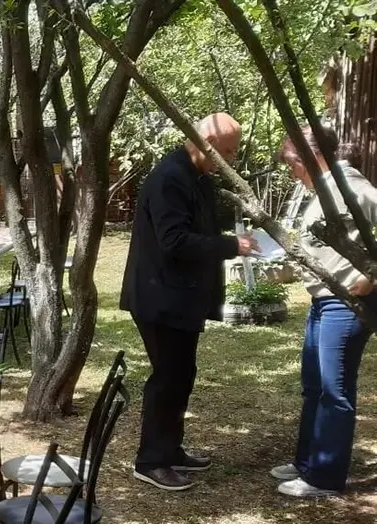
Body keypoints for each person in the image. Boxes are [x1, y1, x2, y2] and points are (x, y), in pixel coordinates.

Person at [120, 112, 258, 492]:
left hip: (179, 297)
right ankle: (151, 461)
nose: (228, 161)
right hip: (160, 297)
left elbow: (197, 230)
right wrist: (233, 245)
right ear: (202, 143)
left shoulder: (196, 176)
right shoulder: (170, 178)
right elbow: (174, 241)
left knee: (182, 375)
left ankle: (171, 449)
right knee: (167, 378)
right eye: (225, 152)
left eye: (232, 152)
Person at [271, 126, 377, 497]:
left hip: (346, 303)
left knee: (334, 390)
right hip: (323, 300)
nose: (292, 173)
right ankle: (306, 463)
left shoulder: (353, 188)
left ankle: (325, 477)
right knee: (314, 385)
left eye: (292, 164)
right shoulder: (324, 189)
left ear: (312, 157)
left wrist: (371, 279)